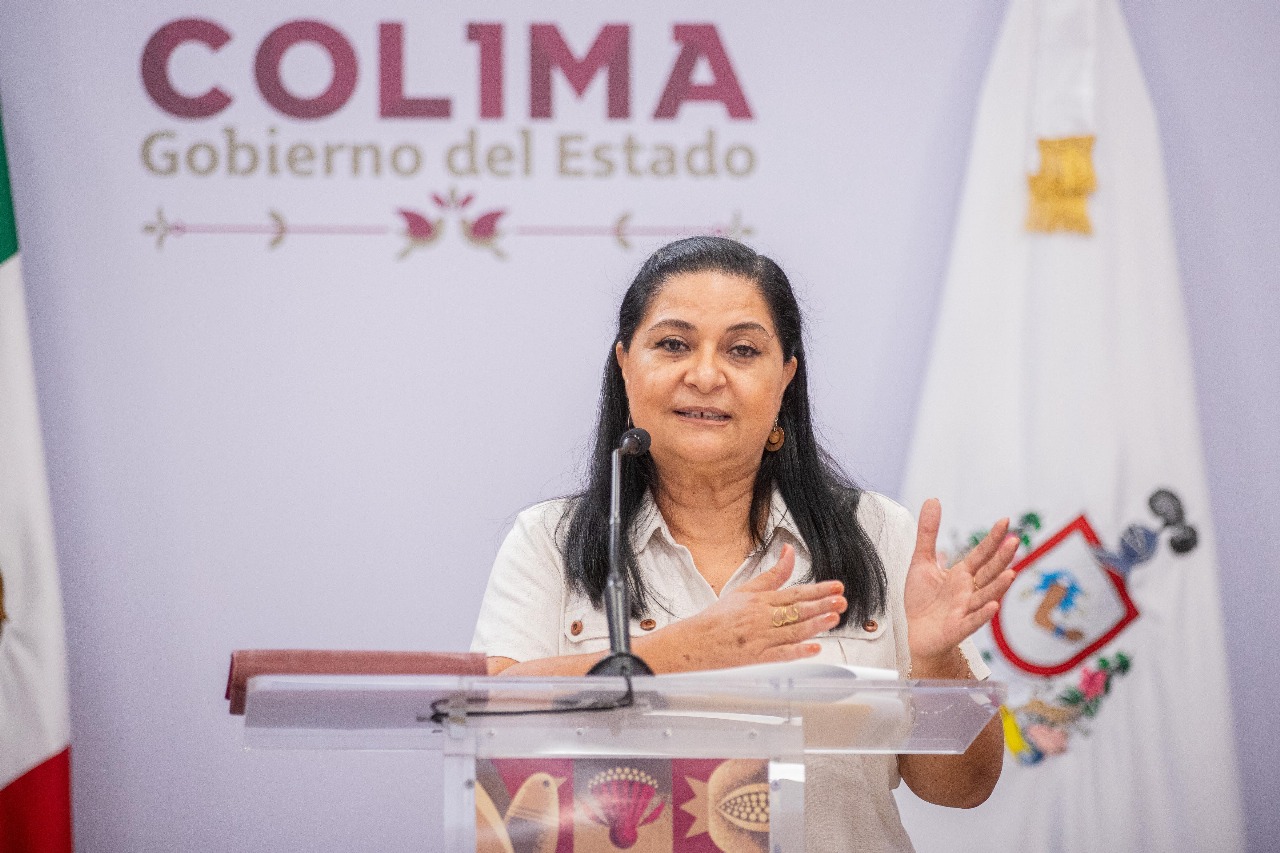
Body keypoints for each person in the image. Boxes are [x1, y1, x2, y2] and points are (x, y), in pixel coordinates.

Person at [471, 236, 1017, 852]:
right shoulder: (550, 540)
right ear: (625, 364)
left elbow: (964, 789)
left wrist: (935, 663)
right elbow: (489, 714)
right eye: (673, 344)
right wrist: (682, 653)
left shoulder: (876, 533)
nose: (705, 375)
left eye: (742, 350)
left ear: (785, 377)